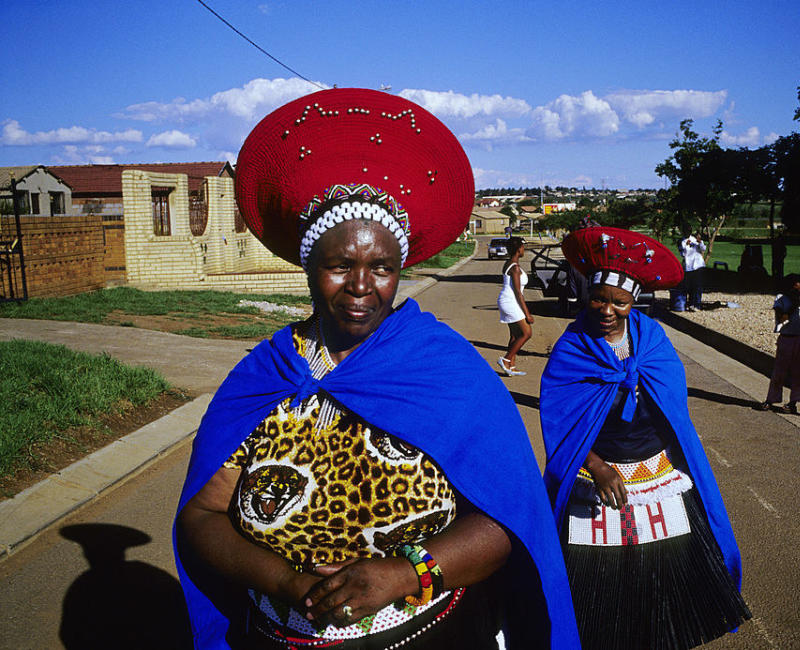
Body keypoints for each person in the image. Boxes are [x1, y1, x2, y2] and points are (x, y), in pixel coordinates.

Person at [173, 88, 578, 650]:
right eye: (340, 265)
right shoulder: (269, 373)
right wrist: (286, 582)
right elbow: (202, 516)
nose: (362, 286)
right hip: (280, 632)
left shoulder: (444, 371)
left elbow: (510, 519)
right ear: (309, 267)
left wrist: (405, 574)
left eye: (382, 267)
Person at [540, 227, 751, 650]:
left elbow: (671, 404)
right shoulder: (573, 347)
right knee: (600, 583)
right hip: (598, 474)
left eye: (619, 302)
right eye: (599, 298)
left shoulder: (651, 339)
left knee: (666, 576)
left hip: (657, 472)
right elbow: (562, 423)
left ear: (634, 302)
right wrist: (597, 467)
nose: (606, 310)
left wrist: (679, 457)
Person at [758, 274, 800, 414]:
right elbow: (781, 318)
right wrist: (793, 308)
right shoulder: (781, 299)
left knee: (797, 372)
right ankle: (771, 399)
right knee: (779, 371)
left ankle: (793, 403)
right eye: (796, 289)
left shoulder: (799, 302)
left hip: (798, 338)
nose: (799, 292)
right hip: (786, 337)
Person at [496, 237, 534, 376]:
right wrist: (527, 314)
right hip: (511, 301)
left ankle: (511, 366)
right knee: (526, 333)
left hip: (508, 300)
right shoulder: (515, 267)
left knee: (515, 335)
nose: (524, 250)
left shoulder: (510, 263)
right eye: (523, 247)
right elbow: (518, 293)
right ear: (519, 249)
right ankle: (506, 360)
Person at [679, 232, 706, 311]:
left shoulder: (695, 239)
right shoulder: (681, 241)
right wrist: (686, 245)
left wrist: (700, 242)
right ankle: (691, 304)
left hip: (698, 265)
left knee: (698, 286)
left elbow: (703, 249)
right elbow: (682, 254)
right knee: (689, 286)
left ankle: (697, 305)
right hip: (688, 267)